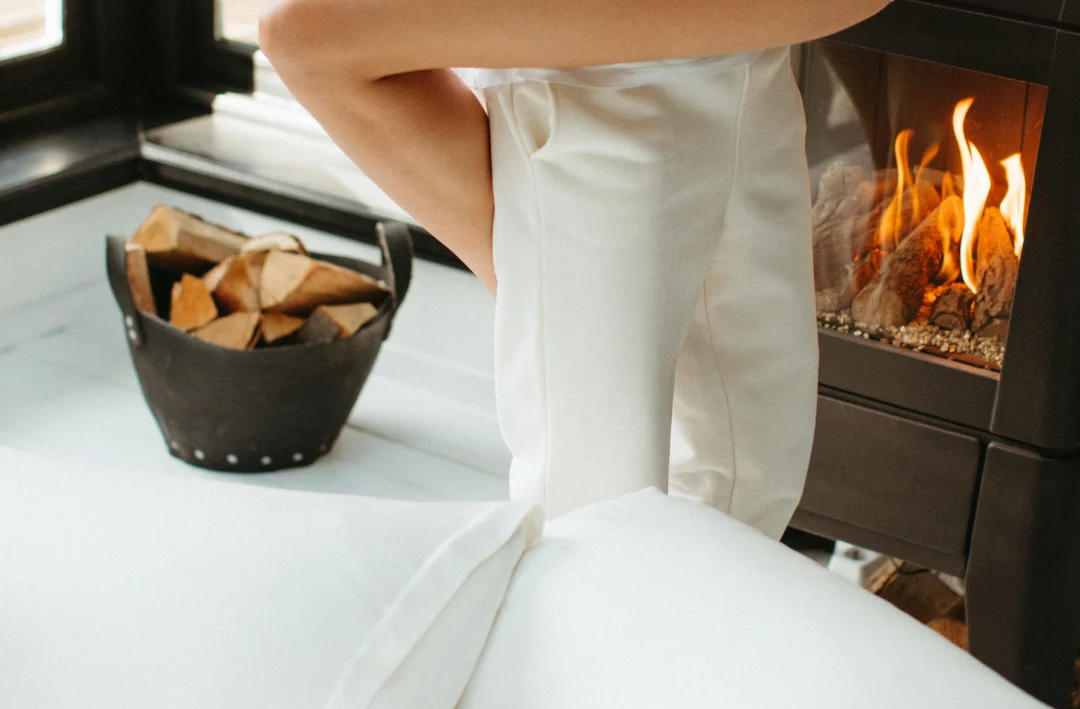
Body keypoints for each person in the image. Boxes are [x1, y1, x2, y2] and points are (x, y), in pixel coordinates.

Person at [259, 0, 890, 532]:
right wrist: (505, 253)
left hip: (751, 74)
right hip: (595, 104)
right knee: (597, 507)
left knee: (752, 479)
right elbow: (303, 35)